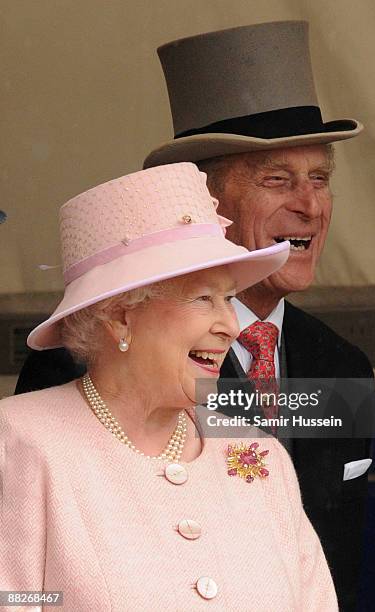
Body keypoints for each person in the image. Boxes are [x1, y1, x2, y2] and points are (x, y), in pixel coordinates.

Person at [14, 21, 373, 611]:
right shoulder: (65, 378)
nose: (309, 205)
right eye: (277, 179)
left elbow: (327, 569)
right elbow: (29, 588)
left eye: (320, 180)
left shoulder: (342, 365)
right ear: (208, 204)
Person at [0, 163, 339, 610]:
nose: (231, 327)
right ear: (121, 315)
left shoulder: (258, 455)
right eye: (203, 298)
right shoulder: (22, 442)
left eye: (229, 299)